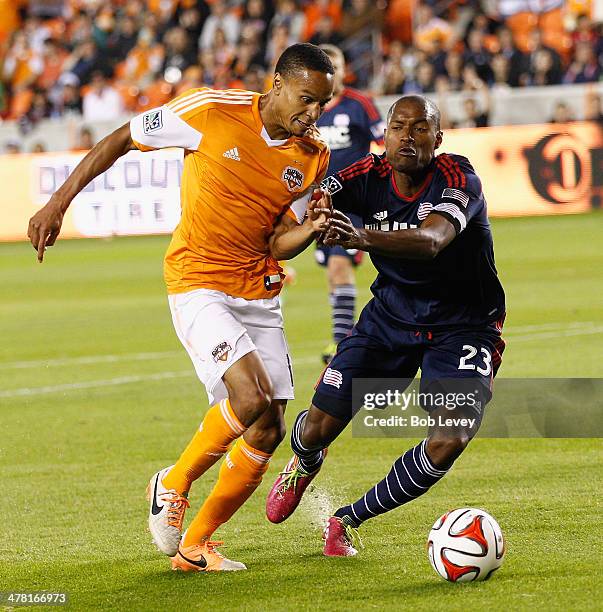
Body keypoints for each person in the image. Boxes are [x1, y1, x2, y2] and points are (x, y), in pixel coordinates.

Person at [27, 43, 335, 572]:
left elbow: (279, 240)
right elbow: (122, 138)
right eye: (306, 99)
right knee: (249, 394)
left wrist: (310, 229)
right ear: (278, 84)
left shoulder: (312, 155)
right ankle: (172, 483)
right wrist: (58, 202)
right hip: (198, 281)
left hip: (258, 289)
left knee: (268, 426)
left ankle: (196, 545)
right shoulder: (212, 109)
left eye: (322, 104)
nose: (313, 114)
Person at [266, 94, 506, 556]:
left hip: (465, 326)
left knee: (450, 437)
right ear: (386, 133)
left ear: (438, 139)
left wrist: (362, 236)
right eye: (399, 127)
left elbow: (434, 239)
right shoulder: (366, 176)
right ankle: (304, 462)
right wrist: (309, 213)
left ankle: (347, 519)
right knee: (316, 427)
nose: (407, 137)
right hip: (390, 319)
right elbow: (315, 196)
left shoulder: (459, 178)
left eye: (420, 129)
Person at [314, 44, 384, 364]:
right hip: (318, 205)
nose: (333, 72)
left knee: (341, 268)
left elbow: (386, 144)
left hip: (353, 204)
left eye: (337, 66)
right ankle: (339, 338)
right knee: (332, 272)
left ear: (344, 70)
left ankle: (344, 345)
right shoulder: (310, 108)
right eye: (326, 67)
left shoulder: (360, 104)